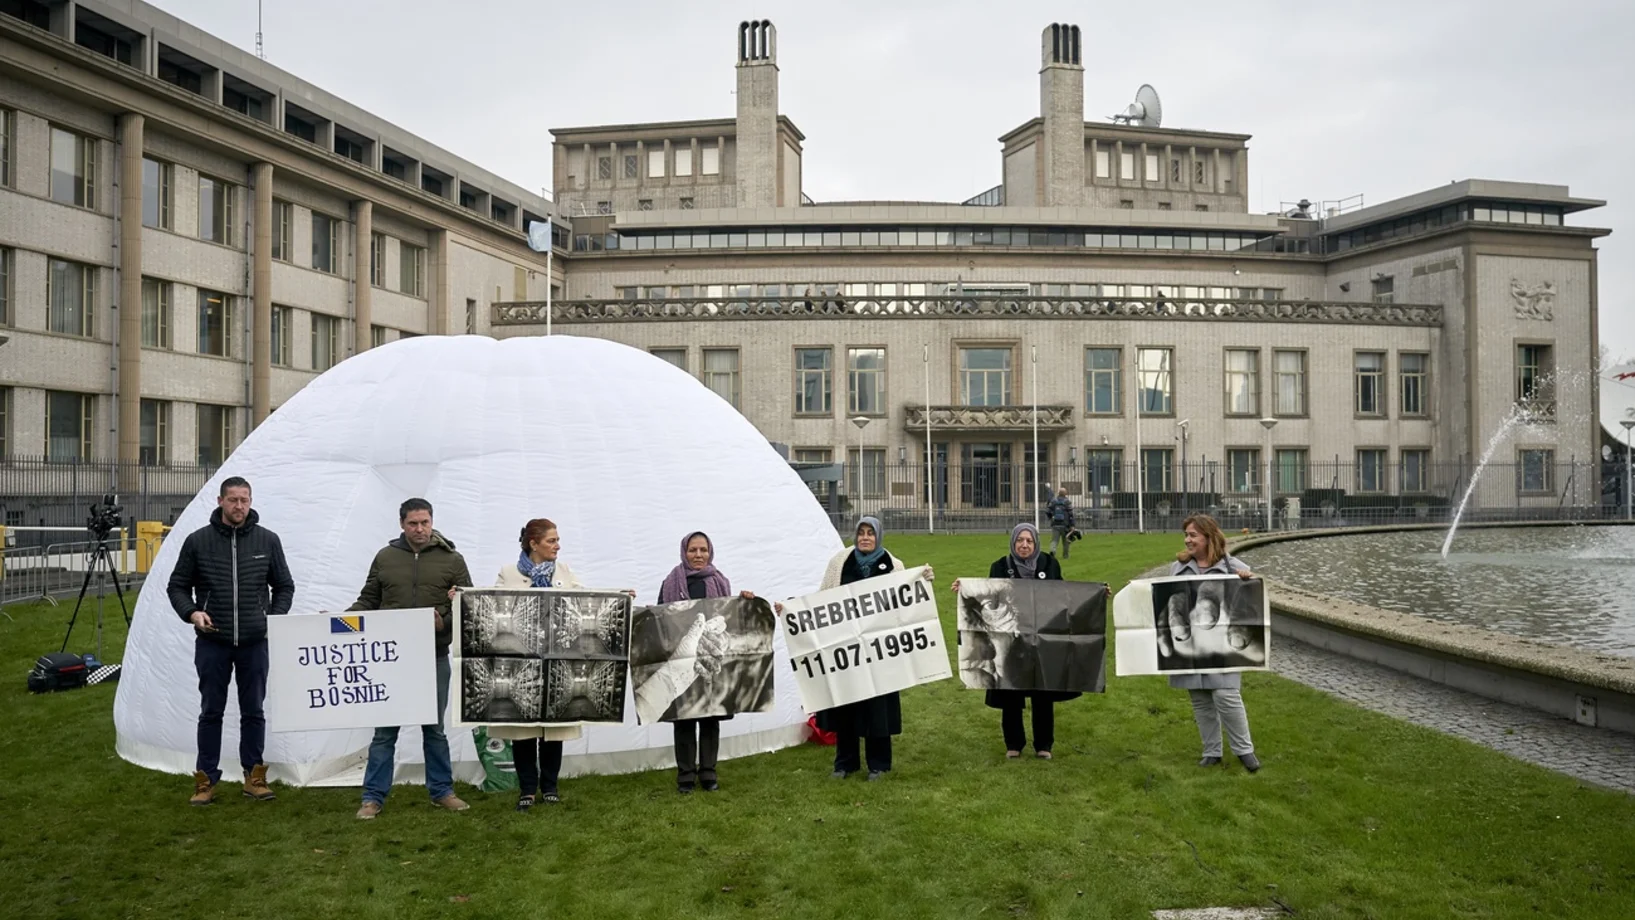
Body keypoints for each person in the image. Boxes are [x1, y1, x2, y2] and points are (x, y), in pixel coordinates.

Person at [167, 476, 296, 806]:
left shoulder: (268, 541)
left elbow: (284, 586)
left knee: (254, 711)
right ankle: (205, 780)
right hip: (213, 641)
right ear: (220, 501)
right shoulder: (198, 542)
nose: (239, 506)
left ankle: (254, 777)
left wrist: (273, 618)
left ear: (251, 502)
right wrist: (193, 613)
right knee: (211, 711)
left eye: (245, 500)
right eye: (233, 500)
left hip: (255, 642)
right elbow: (177, 587)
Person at [352, 498, 475, 819]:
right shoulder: (385, 557)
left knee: (433, 729)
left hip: (433, 656)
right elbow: (368, 599)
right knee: (384, 732)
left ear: (432, 522)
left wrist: (444, 621)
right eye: (413, 524)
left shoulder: (453, 560)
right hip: (389, 660)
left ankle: (442, 791)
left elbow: (468, 605)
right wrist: (336, 623)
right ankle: (373, 797)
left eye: (424, 523)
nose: (419, 529)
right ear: (402, 524)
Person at [812, 516, 934, 781]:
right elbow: (822, 599)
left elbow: (907, 601)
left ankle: (878, 763)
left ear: (879, 536)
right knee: (846, 704)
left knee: (878, 707)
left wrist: (922, 580)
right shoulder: (840, 562)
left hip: (879, 651)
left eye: (870, 533)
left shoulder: (893, 565)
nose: (865, 537)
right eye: (861, 533)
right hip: (848, 648)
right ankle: (845, 763)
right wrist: (792, 610)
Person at [952, 523, 1076, 760]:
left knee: (1043, 691)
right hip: (1009, 638)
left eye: (1029, 541)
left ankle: (1044, 744)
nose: (1025, 545)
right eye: (1020, 540)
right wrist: (966, 589)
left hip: (1041, 639)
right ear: (1013, 542)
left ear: (1036, 543)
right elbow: (988, 597)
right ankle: (1014, 744)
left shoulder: (1050, 565)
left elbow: (1065, 595)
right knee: (1009, 689)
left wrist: (1097, 595)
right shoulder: (1000, 566)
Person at [648, 532, 759, 794]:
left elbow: (729, 619)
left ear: (710, 552)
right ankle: (685, 776)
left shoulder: (720, 582)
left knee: (710, 718)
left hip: (711, 659)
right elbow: (662, 618)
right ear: (683, 552)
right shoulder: (671, 582)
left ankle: (709, 773)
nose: (698, 555)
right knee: (684, 719)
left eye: (703, 550)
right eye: (693, 550)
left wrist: (744, 602)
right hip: (683, 660)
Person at [491, 518, 584, 811]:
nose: (557, 546)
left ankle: (551, 786)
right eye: (551, 541)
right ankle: (527, 789)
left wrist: (620, 597)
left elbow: (586, 601)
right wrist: (460, 599)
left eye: (557, 540)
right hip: (522, 662)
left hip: (556, 661)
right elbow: (493, 607)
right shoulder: (508, 573)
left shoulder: (565, 571)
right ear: (534, 543)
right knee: (524, 730)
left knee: (552, 727)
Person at [1168, 512, 1260, 773]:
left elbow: (1254, 598)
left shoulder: (1232, 566)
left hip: (1223, 644)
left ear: (1209, 538)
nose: (1187, 540)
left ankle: (1245, 751)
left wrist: (1247, 581)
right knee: (1199, 698)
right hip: (1190, 645)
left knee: (1226, 694)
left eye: (1193, 535)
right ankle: (1212, 751)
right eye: (1186, 534)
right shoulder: (1177, 567)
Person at [1046, 488, 1075, 559]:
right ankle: (1065, 556)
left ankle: (1052, 550)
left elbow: (1048, 511)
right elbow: (1071, 514)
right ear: (1065, 494)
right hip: (1065, 525)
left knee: (1054, 540)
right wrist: (1072, 525)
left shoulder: (1053, 501)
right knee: (1066, 542)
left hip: (1055, 524)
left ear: (1058, 493)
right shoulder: (1067, 502)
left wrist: (1051, 518)